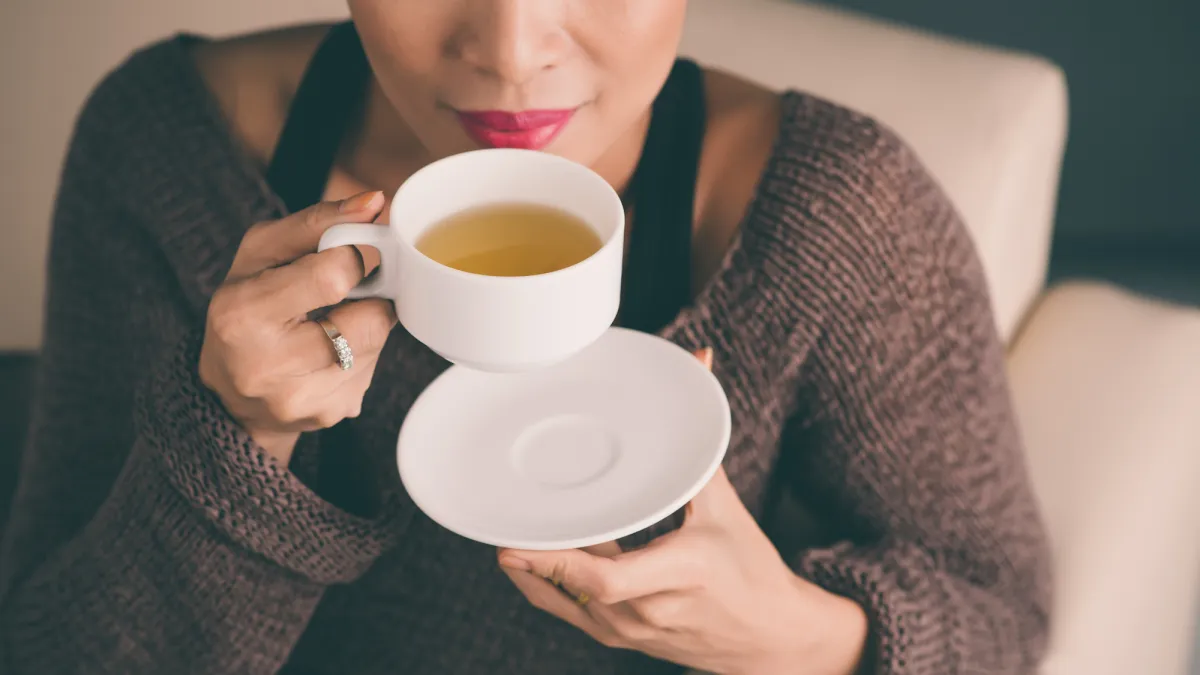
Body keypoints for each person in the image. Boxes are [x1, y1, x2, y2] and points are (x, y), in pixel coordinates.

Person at [0, 2, 1052, 674]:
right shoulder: (165, 146)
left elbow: (1006, 618)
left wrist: (799, 640)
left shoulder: (834, 214)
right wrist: (237, 437)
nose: (510, 53)